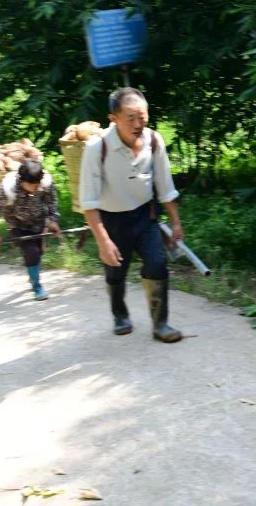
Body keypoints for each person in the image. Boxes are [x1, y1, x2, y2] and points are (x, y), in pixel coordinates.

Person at [78, 87, 185, 343]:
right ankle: (120, 315)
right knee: (116, 272)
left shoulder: (154, 140)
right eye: (131, 118)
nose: (138, 124)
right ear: (113, 118)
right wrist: (103, 242)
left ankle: (161, 324)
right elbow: (88, 202)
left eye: (143, 116)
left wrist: (176, 222)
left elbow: (165, 185)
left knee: (157, 264)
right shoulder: (97, 149)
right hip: (111, 221)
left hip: (145, 216)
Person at [0, 159, 62, 300]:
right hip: (18, 224)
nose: (35, 188)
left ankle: (32, 274)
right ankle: (37, 285)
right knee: (32, 251)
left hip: (39, 222)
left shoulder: (45, 182)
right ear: (21, 180)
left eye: (37, 184)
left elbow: (52, 203)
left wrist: (53, 221)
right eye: (31, 185)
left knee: (38, 252)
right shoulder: (7, 189)